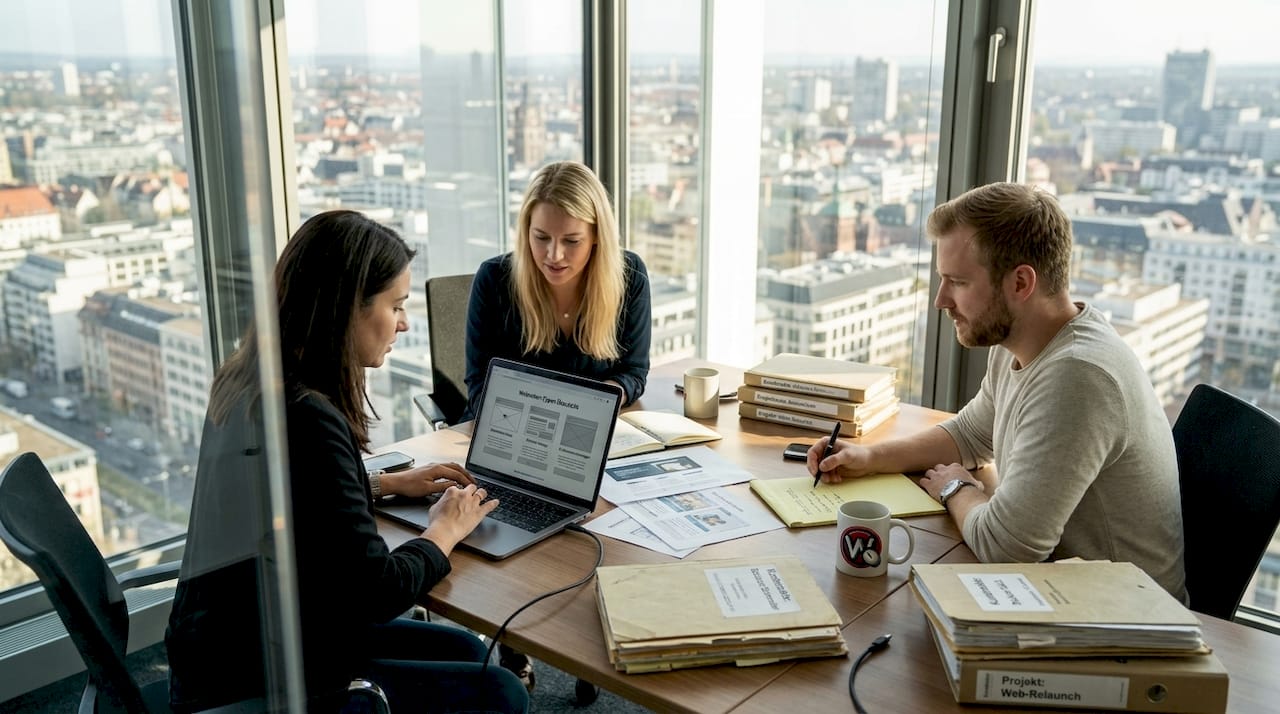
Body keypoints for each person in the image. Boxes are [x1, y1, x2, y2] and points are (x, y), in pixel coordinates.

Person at [166, 210, 529, 713]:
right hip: (270, 675)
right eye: (395, 305)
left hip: (229, 641)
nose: (404, 322)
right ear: (346, 307)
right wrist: (445, 529)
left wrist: (384, 484)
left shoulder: (248, 380)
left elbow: (292, 495)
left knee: (468, 649)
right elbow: (380, 592)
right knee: (503, 692)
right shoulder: (309, 417)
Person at [807, 182, 1187, 601]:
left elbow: (1006, 546)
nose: (941, 300)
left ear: (1021, 282)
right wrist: (869, 458)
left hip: (1122, 617)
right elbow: (970, 435)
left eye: (958, 282)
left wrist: (957, 489)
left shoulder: (1078, 376)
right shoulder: (1022, 342)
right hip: (1061, 591)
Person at [464, 160, 651, 420]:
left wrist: (600, 403)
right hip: (507, 424)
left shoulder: (630, 276)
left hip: (589, 424)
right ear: (526, 231)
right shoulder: (493, 280)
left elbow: (633, 372)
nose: (554, 255)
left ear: (597, 235)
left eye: (571, 241)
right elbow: (479, 384)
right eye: (541, 237)